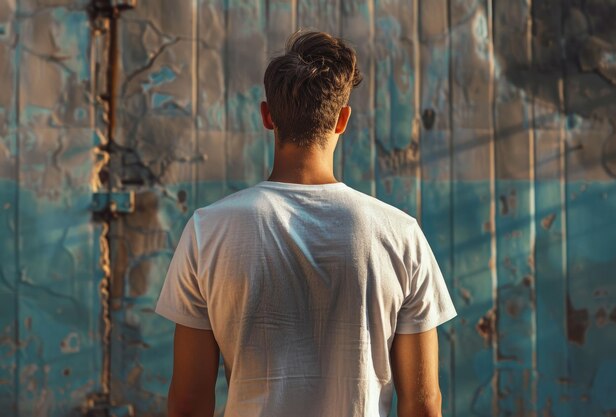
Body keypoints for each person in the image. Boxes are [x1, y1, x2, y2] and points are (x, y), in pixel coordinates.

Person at [155, 30, 456, 417]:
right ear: (343, 120)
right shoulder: (400, 234)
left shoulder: (207, 230)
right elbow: (424, 404)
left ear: (267, 116)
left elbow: (188, 402)